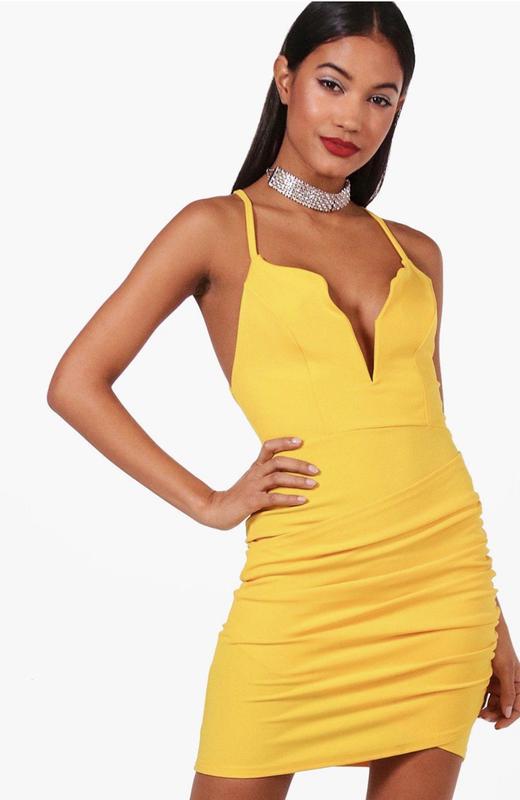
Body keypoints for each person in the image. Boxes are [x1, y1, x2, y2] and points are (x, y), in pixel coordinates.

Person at [47, 2, 519, 799]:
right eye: (332, 84)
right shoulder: (214, 229)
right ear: (285, 77)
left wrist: (494, 622)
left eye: (380, 98)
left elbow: (426, 428)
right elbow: (76, 382)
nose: (353, 117)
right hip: (300, 584)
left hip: (443, 595)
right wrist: (209, 502)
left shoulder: (418, 253)